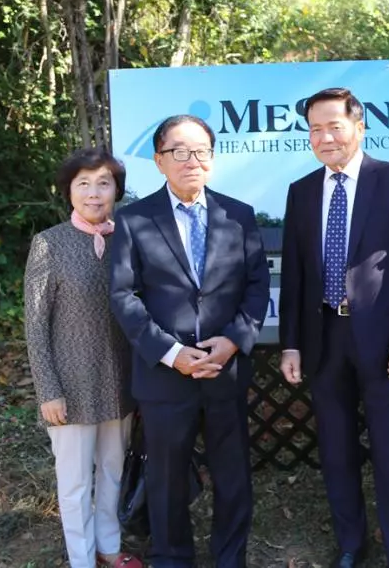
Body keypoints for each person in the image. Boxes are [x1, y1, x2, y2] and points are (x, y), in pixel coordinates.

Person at [109, 115, 270, 568]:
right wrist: (172, 353)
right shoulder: (135, 220)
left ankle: (229, 557)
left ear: (213, 160)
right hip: (165, 377)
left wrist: (236, 340)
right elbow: (124, 296)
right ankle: (171, 557)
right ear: (159, 161)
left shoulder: (237, 215)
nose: (191, 160)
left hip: (225, 371)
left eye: (200, 151)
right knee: (165, 477)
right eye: (179, 151)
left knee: (233, 474)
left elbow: (257, 286)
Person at [279, 88, 389, 568]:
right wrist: (291, 344)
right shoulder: (301, 191)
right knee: (336, 451)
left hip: (383, 342)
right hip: (323, 340)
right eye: (315, 129)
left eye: (333, 126)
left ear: (358, 127)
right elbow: (296, 276)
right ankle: (350, 543)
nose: (324, 138)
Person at [24, 148, 142, 568]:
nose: (94, 193)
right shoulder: (49, 244)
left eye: (104, 183)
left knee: (112, 472)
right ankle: (82, 559)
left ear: (117, 191)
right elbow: (35, 325)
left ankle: (109, 547)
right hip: (69, 388)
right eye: (84, 184)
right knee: (74, 483)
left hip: (121, 382)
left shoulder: (129, 239)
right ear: (69, 190)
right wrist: (48, 390)